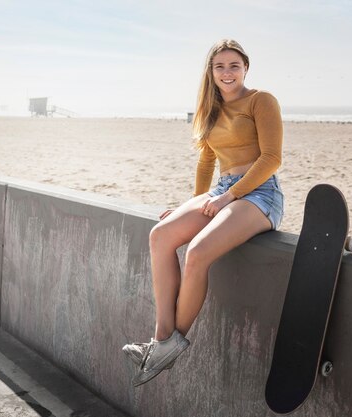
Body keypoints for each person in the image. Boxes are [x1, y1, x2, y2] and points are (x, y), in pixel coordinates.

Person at [122, 39, 284, 387]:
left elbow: (271, 158)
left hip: (260, 194)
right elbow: (207, 161)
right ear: (210, 72)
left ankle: (166, 347)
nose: (227, 73)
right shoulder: (209, 109)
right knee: (161, 235)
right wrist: (190, 207)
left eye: (234, 66)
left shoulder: (261, 101)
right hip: (222, 190)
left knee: (196, 253)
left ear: (246, 69)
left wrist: (229, 199)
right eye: (220, 66)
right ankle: (161, 341)